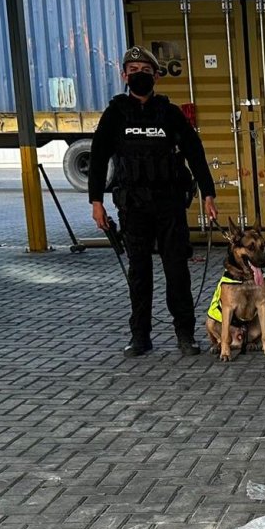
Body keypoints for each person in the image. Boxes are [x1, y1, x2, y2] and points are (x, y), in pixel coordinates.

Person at [88, 46, 218, 358]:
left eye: (145, 71)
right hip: (133, 207)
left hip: (169, 204)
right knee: (139, 272)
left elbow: (195, 153)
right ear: (124, 76)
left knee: (177, 271)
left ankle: (185, 335)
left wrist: (208, 193)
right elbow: (97, 158)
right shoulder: (115, 114)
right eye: (133, 71)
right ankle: (140, 336)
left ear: (156, 76)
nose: (138, 76)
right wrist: (96, 201)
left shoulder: (169, 114)